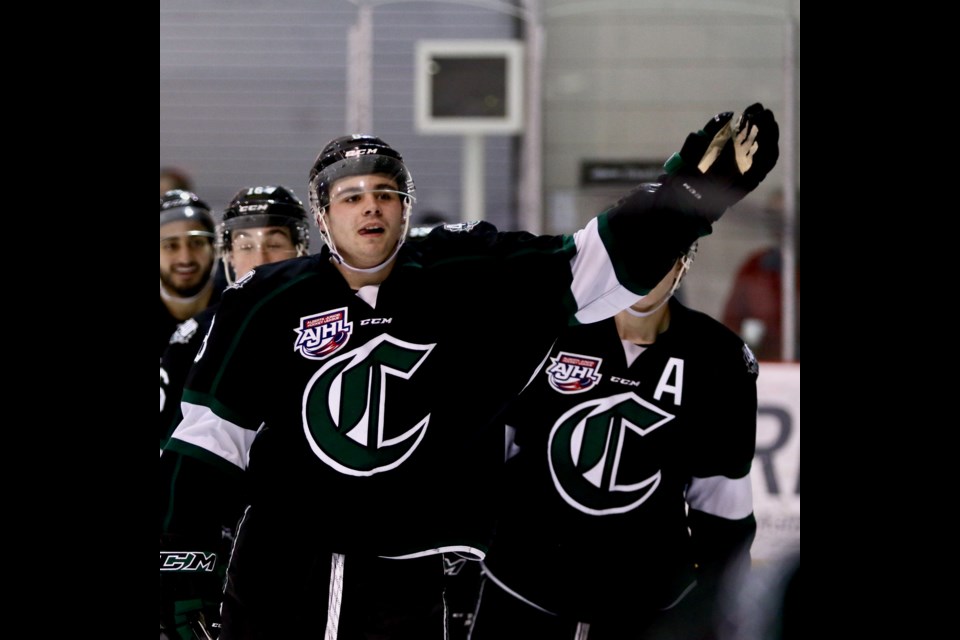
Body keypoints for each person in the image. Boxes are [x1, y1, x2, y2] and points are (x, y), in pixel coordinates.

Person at [160, 103, 778, 639]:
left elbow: (590, 265)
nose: (370, 208)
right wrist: (184, 567)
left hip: (405, 579)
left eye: (386, 194)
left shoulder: (465, 275)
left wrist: (688, 200)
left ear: (408, 208)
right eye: (351, 198)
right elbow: (210, 442)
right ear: (322, 218)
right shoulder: (266, 299)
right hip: (276, 571)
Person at [467, 241, 759, 640]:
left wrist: (716, 606)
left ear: (683, 265)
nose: (646, 268)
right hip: (521, 588)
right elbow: (488, 454)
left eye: (663, 254)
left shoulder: (717, 357)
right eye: (637, 251)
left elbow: (723, 504)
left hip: (647, 604)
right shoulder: (549, 325)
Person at [160, 184, 311, 450]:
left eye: (274, 244)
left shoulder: (344, 315)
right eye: (246, 246)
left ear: (302, 248)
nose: (261, 260)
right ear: (229, 257)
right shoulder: (191, 340)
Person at [721, 189, 800, 361]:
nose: (778, 224)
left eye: (785, 215)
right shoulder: (755, 265)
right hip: (765, 368)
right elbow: (731, 322)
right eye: (773, 215)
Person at [159, 190, 219, 358]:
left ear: (215, 248)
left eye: (197, 243)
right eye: (171, 245)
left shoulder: (237, 308)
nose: (185, 258)